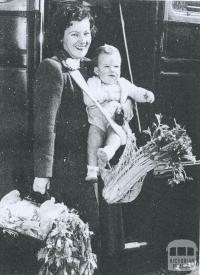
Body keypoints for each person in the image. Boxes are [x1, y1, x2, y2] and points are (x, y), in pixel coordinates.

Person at [31, 2, 133, 274]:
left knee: (99, 239)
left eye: (86, 33)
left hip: (94, 166)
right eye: (74, 33)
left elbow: (111, 102)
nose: (82, 40)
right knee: (73, 248)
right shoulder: (52, 68)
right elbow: (45, 127)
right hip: (67, 172)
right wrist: (43, 175)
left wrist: (121, 112)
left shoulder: (92, 67)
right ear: (61, 36)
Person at [84, 44, 155, 182]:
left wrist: (145, 95)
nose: (112, 70)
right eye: (106, 67)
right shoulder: (93, 82)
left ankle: (108, 151)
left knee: (116, 135)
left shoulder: (123, 83)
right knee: (93, 139)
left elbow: (135, 91)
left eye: (116, 67)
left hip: (115, 122)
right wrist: (105, 95)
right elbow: (88, 98)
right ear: (97, 70)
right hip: (97, 121)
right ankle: (92, 170)